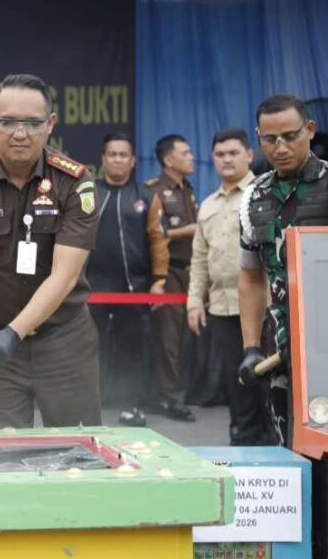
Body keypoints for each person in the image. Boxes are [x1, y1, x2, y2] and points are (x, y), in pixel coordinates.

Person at [0, 73, 101, 429]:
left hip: (63, 342)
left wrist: (16, 330)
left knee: (77, 447)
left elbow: (65, 275)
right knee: (8, 448)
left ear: (51, 124)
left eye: (33, 123)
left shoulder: (74, 183)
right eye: (8, 122)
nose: (20, 133)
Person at [239, 93, 328, 447]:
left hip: (324, 347)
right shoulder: (254, 196)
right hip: (280, 352)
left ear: (310, 130)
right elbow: (250, 276)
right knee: (289, 448)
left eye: (290, 136)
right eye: (270, 139)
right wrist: (251, 348)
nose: (280, 148)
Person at [187, 128, 272, 445]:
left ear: (249, 155)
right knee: (235, 380)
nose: (227, 159)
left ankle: (270, 442)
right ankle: (242, 439)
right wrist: (194, 302)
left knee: (267, 379)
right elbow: (199, 258)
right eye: (220, 154)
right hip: (222, 307)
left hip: (263, 307)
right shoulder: (208, 205)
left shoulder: (264, 194)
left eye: (234, 153)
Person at [86, 133, 169, 426]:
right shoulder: (90, 195)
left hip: (134, 289)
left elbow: (158, 240)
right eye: (112, 154)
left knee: (132, 348)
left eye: (123, 155)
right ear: (103, 159)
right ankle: (90, 403)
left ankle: (131, 404)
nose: (118, 159)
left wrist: (159, 281)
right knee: (89, 347)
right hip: (92, 288)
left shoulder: (146, 196)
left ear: (133, 161)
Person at [145, 133, 198, 422]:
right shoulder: (154, 190)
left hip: (191, 271)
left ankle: (171, 393)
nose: (191, 157)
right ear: (169, 160)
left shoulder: (187, 188)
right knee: (168, 339)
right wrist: (188, 231)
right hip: (168, 272)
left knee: (183, 338)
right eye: (185, 153)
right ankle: (170, 398)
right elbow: (156, 234)